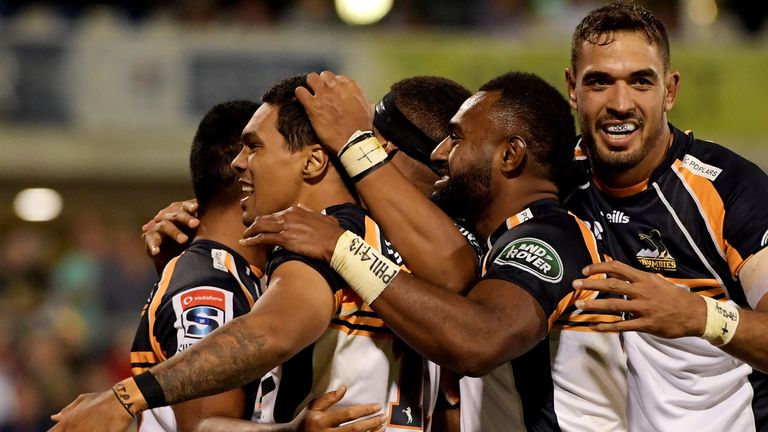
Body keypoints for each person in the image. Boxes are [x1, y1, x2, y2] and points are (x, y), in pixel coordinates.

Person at [50, 74, 475, 432]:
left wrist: (125, 396)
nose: (239, 163)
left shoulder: (317, 238)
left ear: (311, 163)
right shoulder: (413, 249)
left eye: (254, 146)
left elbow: (271, 332)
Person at [243, 71, 617, 431]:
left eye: (456, 138)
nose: (440, 153)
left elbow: (478, 341)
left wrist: (342, 248)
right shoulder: (496, 246)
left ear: (510, 155)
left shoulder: (549, 235)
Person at [560, 2, 768, 430]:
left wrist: (698, 315)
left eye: (640, 81)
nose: (620, 103)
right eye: (599, 82)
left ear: (669, 91)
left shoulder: (729, 189)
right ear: (572, 89)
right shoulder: (550, 183)